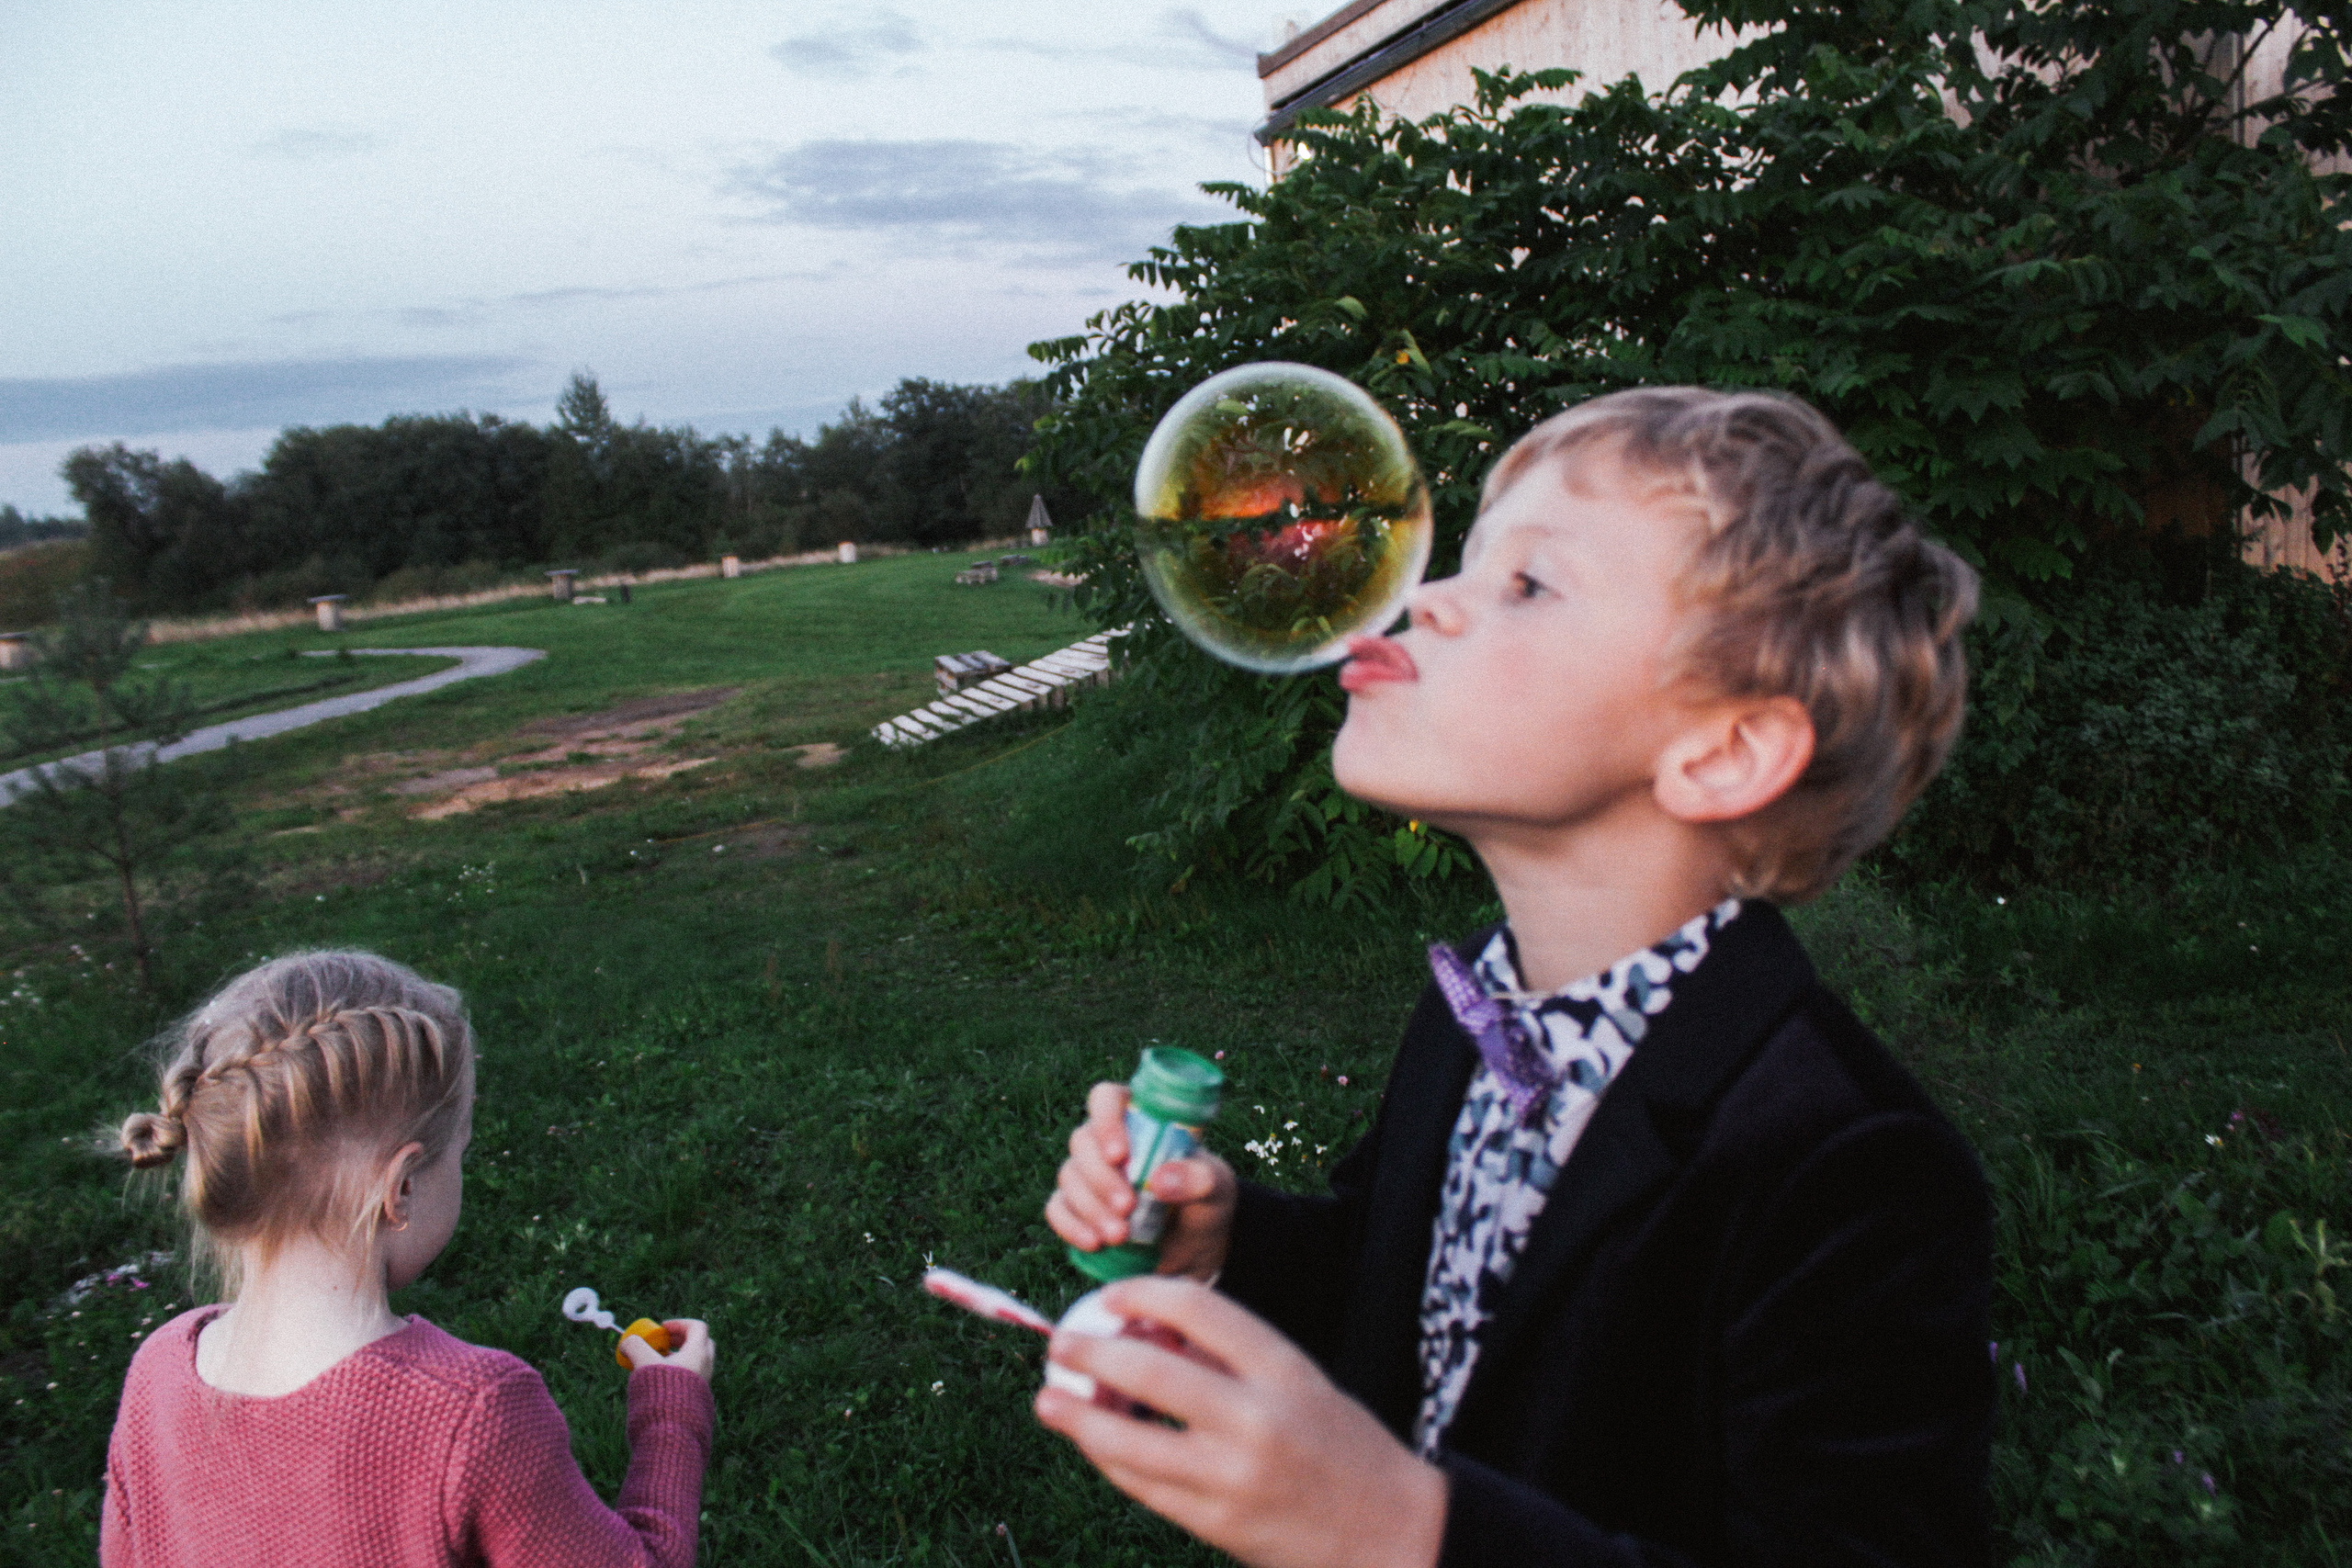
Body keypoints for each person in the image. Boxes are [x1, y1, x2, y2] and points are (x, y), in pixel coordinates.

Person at [1039, 388, 1994, 1568]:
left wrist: (1401, 1531)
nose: (1418, 602)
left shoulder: (1849, 1169)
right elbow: (1404, 1290)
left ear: (1722, 751)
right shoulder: (1478, 1018)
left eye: (1525, 584)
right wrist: (1230, 1246)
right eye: (1466, 564)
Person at [100, 950, 715, 1568]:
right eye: (460, 1151)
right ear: (401, 1187)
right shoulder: (471, 1411)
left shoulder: (156, 1371)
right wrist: (672, 1412)